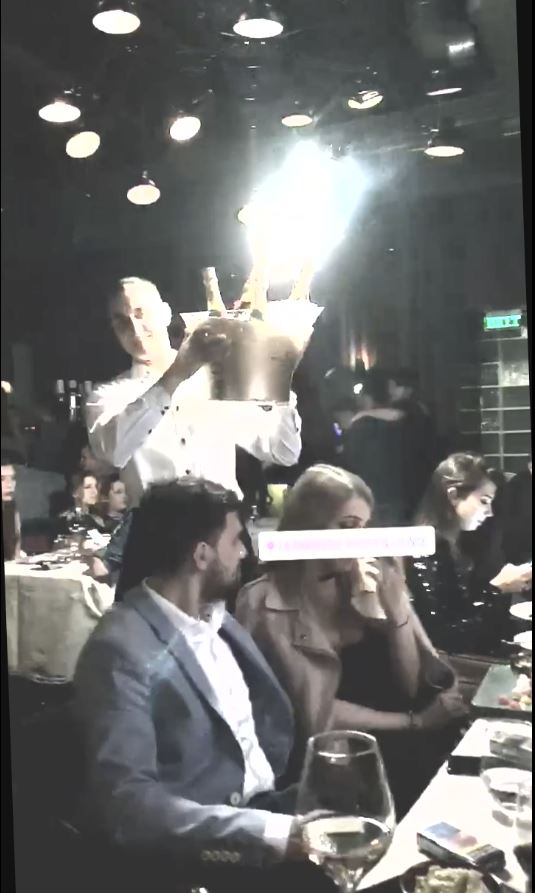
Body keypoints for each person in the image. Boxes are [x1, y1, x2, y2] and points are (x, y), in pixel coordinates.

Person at [74, 478, 333, 893]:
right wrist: (274, 833)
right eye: (235, 541)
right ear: (201, 554)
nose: (245, 552)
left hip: (273, 806)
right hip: (209, 856)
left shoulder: (216, 618)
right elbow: (127, 805)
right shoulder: (119, 650)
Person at [236, 465, 466, 814]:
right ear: (308, 525)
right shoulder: (264, 602)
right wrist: (414, 722)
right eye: (346, 526)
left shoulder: (368, 576)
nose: (357, 539)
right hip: (330, 764)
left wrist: (397, 613)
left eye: (362, 527)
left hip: (406, 746)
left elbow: (410, 685)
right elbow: (314, 714)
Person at [86, 277, 302, 505]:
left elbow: (284, 452)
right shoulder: (108, 396)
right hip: (156, 524)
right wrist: (177, 373)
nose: (135, 330)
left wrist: (278, 377)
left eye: (141, 314)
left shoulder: (216, 378)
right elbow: (115, 451)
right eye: (122, 323)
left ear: (165, 313)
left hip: (225, 520)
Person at [406, 453, 531, 661]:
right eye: (484, 501)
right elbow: (448, 637)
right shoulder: (426, 549)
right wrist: (497, 588)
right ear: (453, 495)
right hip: (449, 663)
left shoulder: (457, 543)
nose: (489, 512)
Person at [339, 368, 409, 525]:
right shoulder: (404, 421)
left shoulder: (360, 426)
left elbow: (349, 463)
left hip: (368, 496)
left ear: (368, 397)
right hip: (399, 496)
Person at [56, 472, 106, 537]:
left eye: (96, 487)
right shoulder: (65, 519)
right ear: (74, 492)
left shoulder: (98, 520)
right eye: (88, 487)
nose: (95, 492)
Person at [2, 450, 22, 560]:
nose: (9, 485)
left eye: (12, 478)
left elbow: (14, 554)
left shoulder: (10, 507)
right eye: (2, 479)